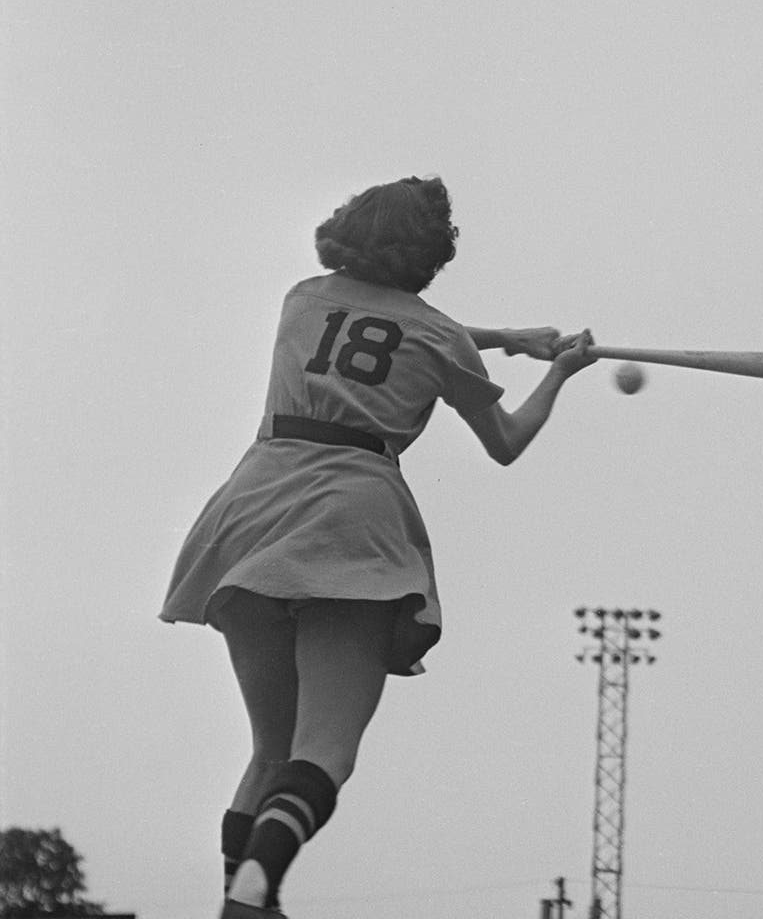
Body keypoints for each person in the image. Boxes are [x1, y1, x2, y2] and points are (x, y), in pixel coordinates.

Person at [160, 175, 599, 919]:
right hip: (349, 520)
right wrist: (558, 371)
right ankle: (259, 884)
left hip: (254, 507)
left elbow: (388, 330)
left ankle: (241, 900)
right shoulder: (441, 338)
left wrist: (502, 338)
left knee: (269, 752)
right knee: (323, 753)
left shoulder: (302, 297)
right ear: (432, 252)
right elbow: (506, 441)